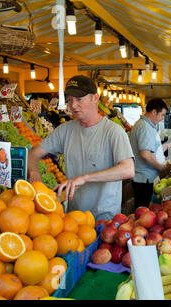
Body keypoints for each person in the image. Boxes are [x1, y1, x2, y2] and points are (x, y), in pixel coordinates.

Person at [28, 75, 135, 221]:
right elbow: (33, 154)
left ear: (95, 98)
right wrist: (34, 171)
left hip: (105, 220)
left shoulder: (113, 132)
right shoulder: (64, 131)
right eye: (70, 99)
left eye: (79, 99)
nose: (73, 105)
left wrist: (85, 178)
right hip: (73, 218)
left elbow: (128, 170)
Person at [130, 98, 171, 209]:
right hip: (144, 179)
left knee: (143, 211)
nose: (162, 119)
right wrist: (161, 168)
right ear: (154, 112)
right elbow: (145, 154)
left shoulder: (144, 125)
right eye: (162, 115)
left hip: (144, 178)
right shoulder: (145, 127)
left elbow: (150, 149)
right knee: (143, 212)